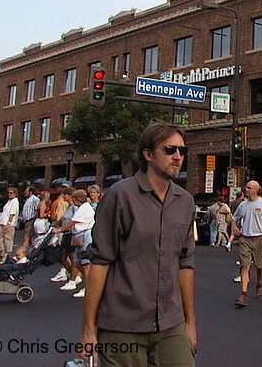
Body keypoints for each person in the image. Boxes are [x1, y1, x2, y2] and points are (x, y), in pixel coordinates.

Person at [80, 122, 197, 366]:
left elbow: (185, 264)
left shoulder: (185, 201)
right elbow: (100, 262)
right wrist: (89, 329)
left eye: (182, 151)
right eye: (169, 150)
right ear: (148, 154)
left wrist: (190, 322)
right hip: (123, 325)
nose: (177, 156)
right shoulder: (120, 195)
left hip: (170, 324)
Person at [231, 180, 262, 307]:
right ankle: (243, 294)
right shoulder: (243, 205)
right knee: (245, 265)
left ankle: (259, 285)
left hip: (260, 238)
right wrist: (234, 227)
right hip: (245, 238)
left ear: (255, 190)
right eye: (246, 187)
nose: (245, 189)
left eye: (249, 188)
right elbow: (234, 218)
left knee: (260, 265)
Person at [53, 189, 95, 298]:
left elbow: (73, 221)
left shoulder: (84, 208)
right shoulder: (82, 208)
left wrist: (60, 230)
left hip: (85, 236)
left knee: (85, 264)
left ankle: (88, 287)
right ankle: (89, 280)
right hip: (78, 236)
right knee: (76, 263)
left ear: (77, 199)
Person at [0, 186, 20, 256]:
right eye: (8, 193)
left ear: (15, 194)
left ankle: (8, 254)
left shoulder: (15, 201)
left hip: (9, 223)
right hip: (2, 222)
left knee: (8, 239)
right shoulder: (9, 201)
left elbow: (12, 214)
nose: (9, 194)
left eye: (11, 193)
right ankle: (2, 251)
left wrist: (8, 223)